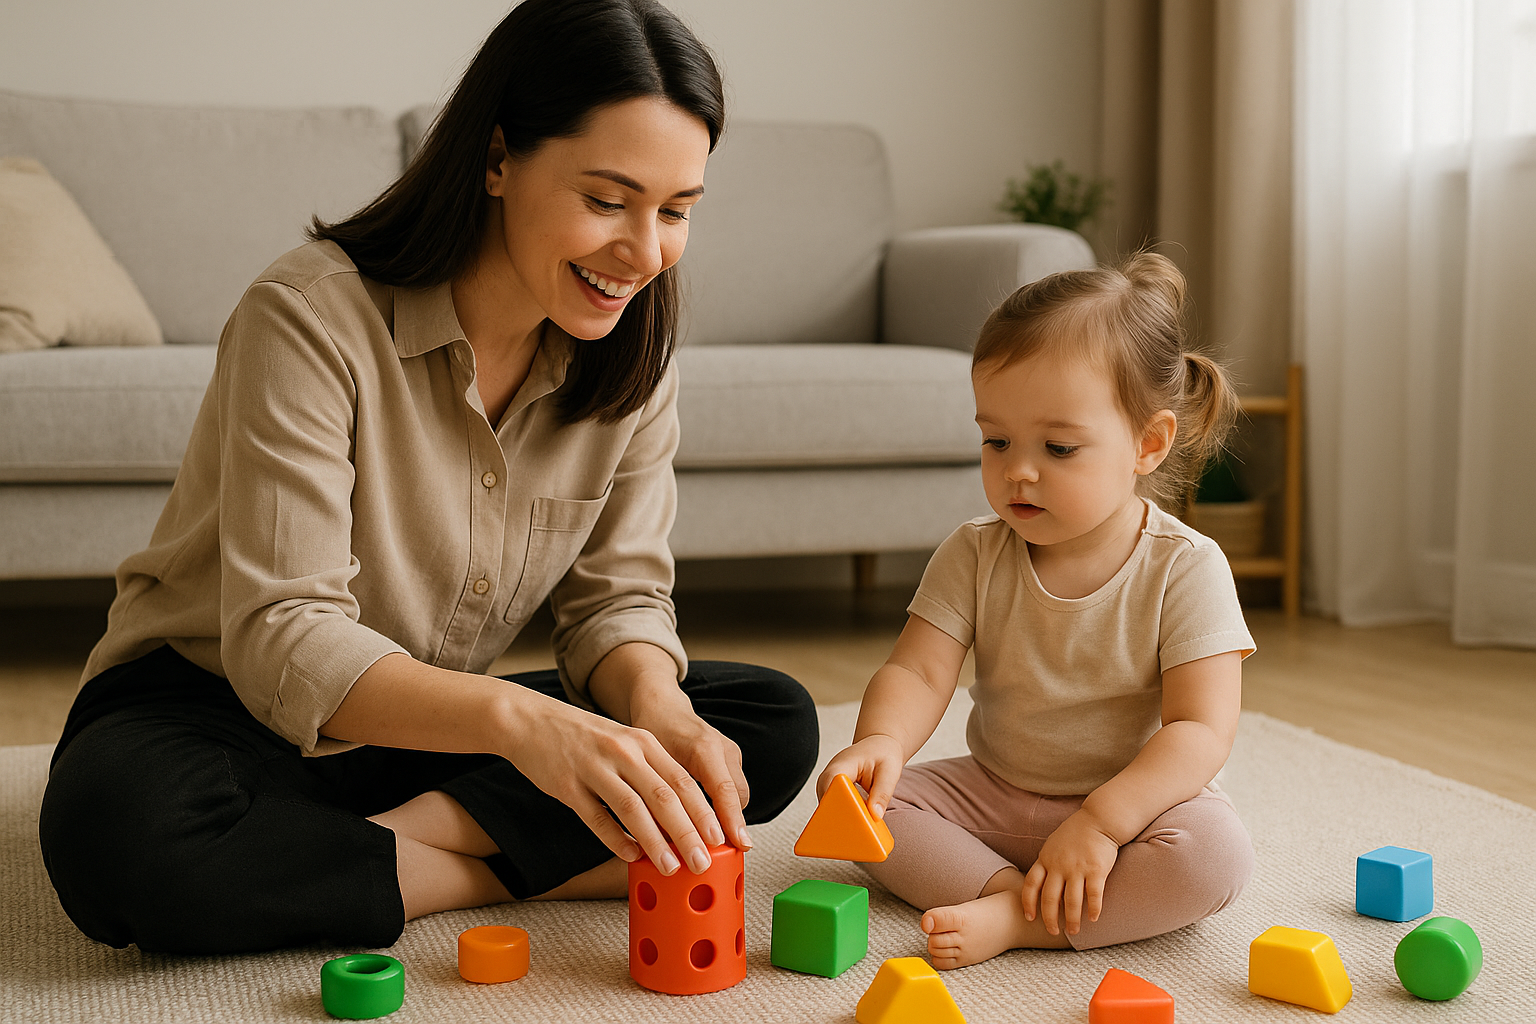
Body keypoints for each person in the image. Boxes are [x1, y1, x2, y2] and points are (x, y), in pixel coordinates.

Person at [38, 0, 818, 955]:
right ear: (497, 160)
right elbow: (286, 635)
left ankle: (360, 864)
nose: (644, 251)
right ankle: (493, 865)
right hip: (216, 707)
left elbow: (619, 603)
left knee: (762, 722)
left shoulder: (632, 355)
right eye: (609, 200)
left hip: (420, 731)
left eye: (678, 211)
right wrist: (526, 729)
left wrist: (658, 712)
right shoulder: (311, 317)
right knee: (120, 837)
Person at [818, 252, 1256, 969]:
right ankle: (1018, 895)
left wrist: (1103, 823)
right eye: (996, 441)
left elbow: (1200, 728)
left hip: (1130, 809)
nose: (1018, 470)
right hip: (992, 794)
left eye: (1057, 447)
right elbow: (920, 673)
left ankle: (1023, 923)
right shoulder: (973, 552)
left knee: (1214, 857)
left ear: (1148, 443)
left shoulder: (1186, 567)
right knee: (864, 810)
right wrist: (882, 744)